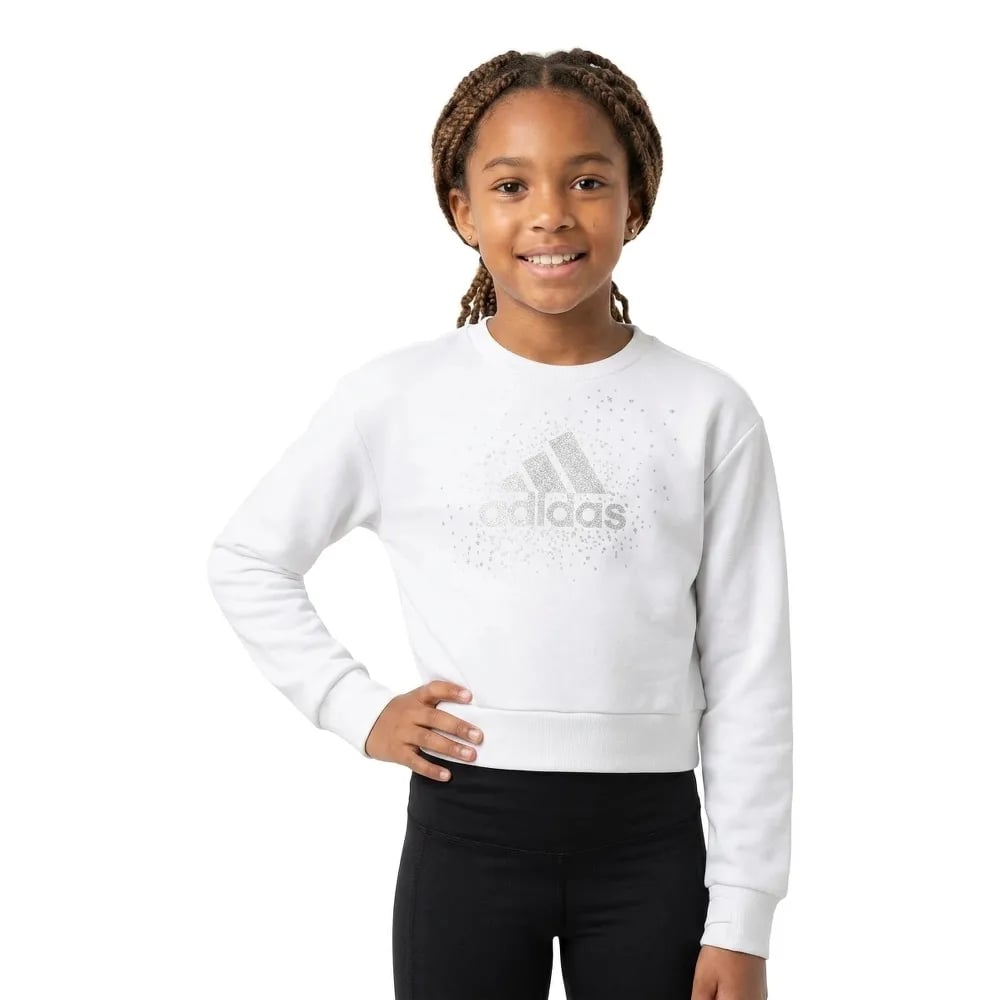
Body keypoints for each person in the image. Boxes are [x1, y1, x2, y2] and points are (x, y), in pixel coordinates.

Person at [206, 47, 790, 1000]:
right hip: (465, 832)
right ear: (463, 210)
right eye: (511, 185)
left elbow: (750, 671)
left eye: (588, 181)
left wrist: (744, 917)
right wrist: (356, 708)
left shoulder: (707, 410)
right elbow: (248, 557)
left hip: (652, 849)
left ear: (636, 202)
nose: (550, 213)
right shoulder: (397, 398)